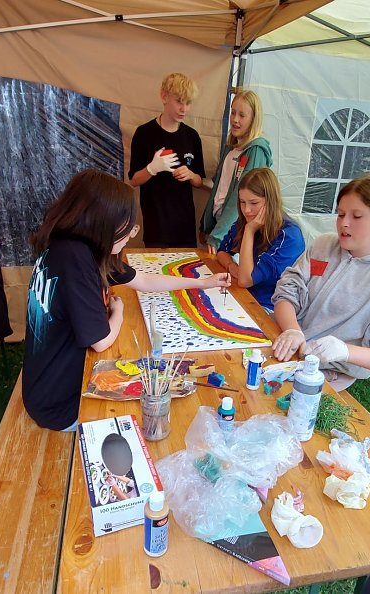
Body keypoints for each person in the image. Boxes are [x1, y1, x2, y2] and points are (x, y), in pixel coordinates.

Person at [22, 169, 230, 432]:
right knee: (162, 413)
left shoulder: (74, 245)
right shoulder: (75, 259)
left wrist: (202, 283)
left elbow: (143, 280)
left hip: (46, 386)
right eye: (127, 226)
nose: (132, 233)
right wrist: (117, 311)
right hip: (61, 406)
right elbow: (102, 341)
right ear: (102, 222)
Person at [271, 173, 370, 390]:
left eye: (357, 216)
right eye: (341, 214)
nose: (344, 223)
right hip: (286, 344)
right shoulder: (324, 245)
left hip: (327, 373)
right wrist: (292, 330)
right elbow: (288, 288)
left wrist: (345, 350)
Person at [128, 72, 205, 248]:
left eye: (188, 103)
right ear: (164, 97)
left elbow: (200, 181)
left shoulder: (192, 136)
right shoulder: (144, 133)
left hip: (184, 225)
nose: (184, 109)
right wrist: (152, 169)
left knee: (185, 272)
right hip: (156, 224)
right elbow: (133, 180)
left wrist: (191, 175)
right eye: (179, 101)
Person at [216, 168, 305, 312]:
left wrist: (249, 231)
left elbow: (246, 280)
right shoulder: (246, 220)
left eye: (253, 203)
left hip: (269, 307)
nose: (246, 210)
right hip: (243, 295)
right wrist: (231, 266)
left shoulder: (289, 235)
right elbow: (221, 252)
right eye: (242, 202)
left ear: (271, 201)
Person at [200, 89, 273, 253]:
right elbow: (218, 187)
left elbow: (238, 198)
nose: (235, 120)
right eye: (233, 113)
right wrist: (206, 224)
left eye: (242, 115)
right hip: (219, 226)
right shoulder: (231, 149)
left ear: (254, 119)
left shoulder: (255, 151)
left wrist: (217, 236)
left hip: (234, 232)